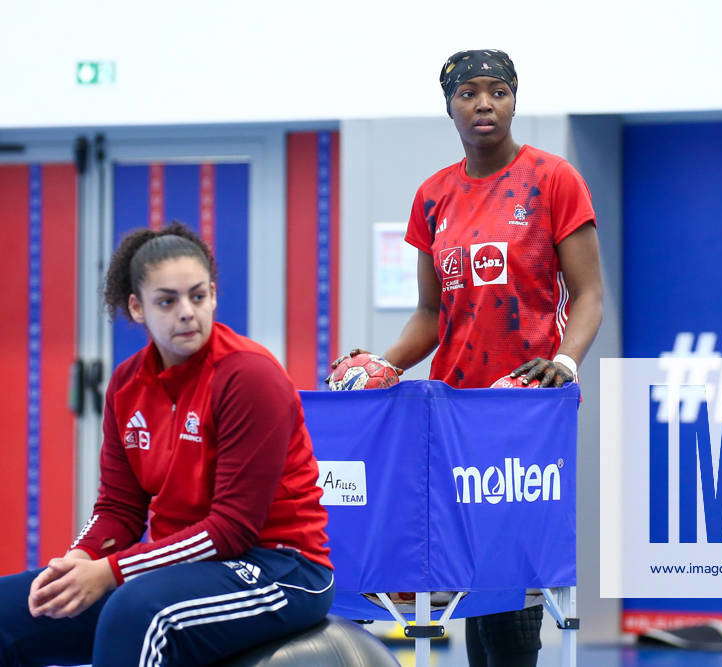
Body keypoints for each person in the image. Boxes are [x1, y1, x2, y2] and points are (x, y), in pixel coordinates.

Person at [340, 49, 604, 667]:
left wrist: (565, 364)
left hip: (527, 409)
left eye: (499, 91)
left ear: (515, 99)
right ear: (449, 104)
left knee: (512, 579)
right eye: (469, 93)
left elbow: (589, 294)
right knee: (463, 578)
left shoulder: (553, 179)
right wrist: (381, 365)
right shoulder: (433, 195)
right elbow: (431, 315)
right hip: (453, 412)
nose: (484, 104)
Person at [0, 223, 334, 666]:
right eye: (167, 300)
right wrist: (79, 561)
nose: (186, 313)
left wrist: (110, 572)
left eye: (198, 296)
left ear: (214, 295)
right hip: (180, 566)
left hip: (283, 569)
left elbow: (231, 529)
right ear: (137, 308)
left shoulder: (249, 376)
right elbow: (118, 509)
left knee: (137, 612)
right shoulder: (125, 383)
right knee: (12, 608)